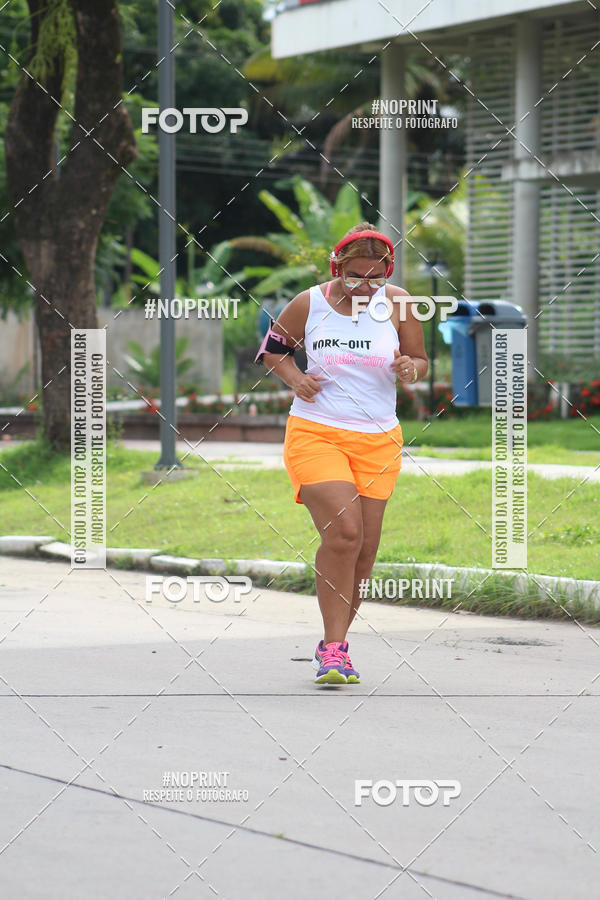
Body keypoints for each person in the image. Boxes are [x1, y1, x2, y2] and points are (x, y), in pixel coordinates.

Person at [256, 223, 428, 685]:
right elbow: (272, 350)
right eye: (355, 277)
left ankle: (334, 647)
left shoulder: (399, 303)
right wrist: (295, 379)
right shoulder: (309, 303)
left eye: (375, 278)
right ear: (337, 268)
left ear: (387, 272)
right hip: (317, 432)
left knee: (365, 554)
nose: (365, 287)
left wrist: (410, 368)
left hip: (378, 439)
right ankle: (334, 652)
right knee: (345, 534)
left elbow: (420, 360)